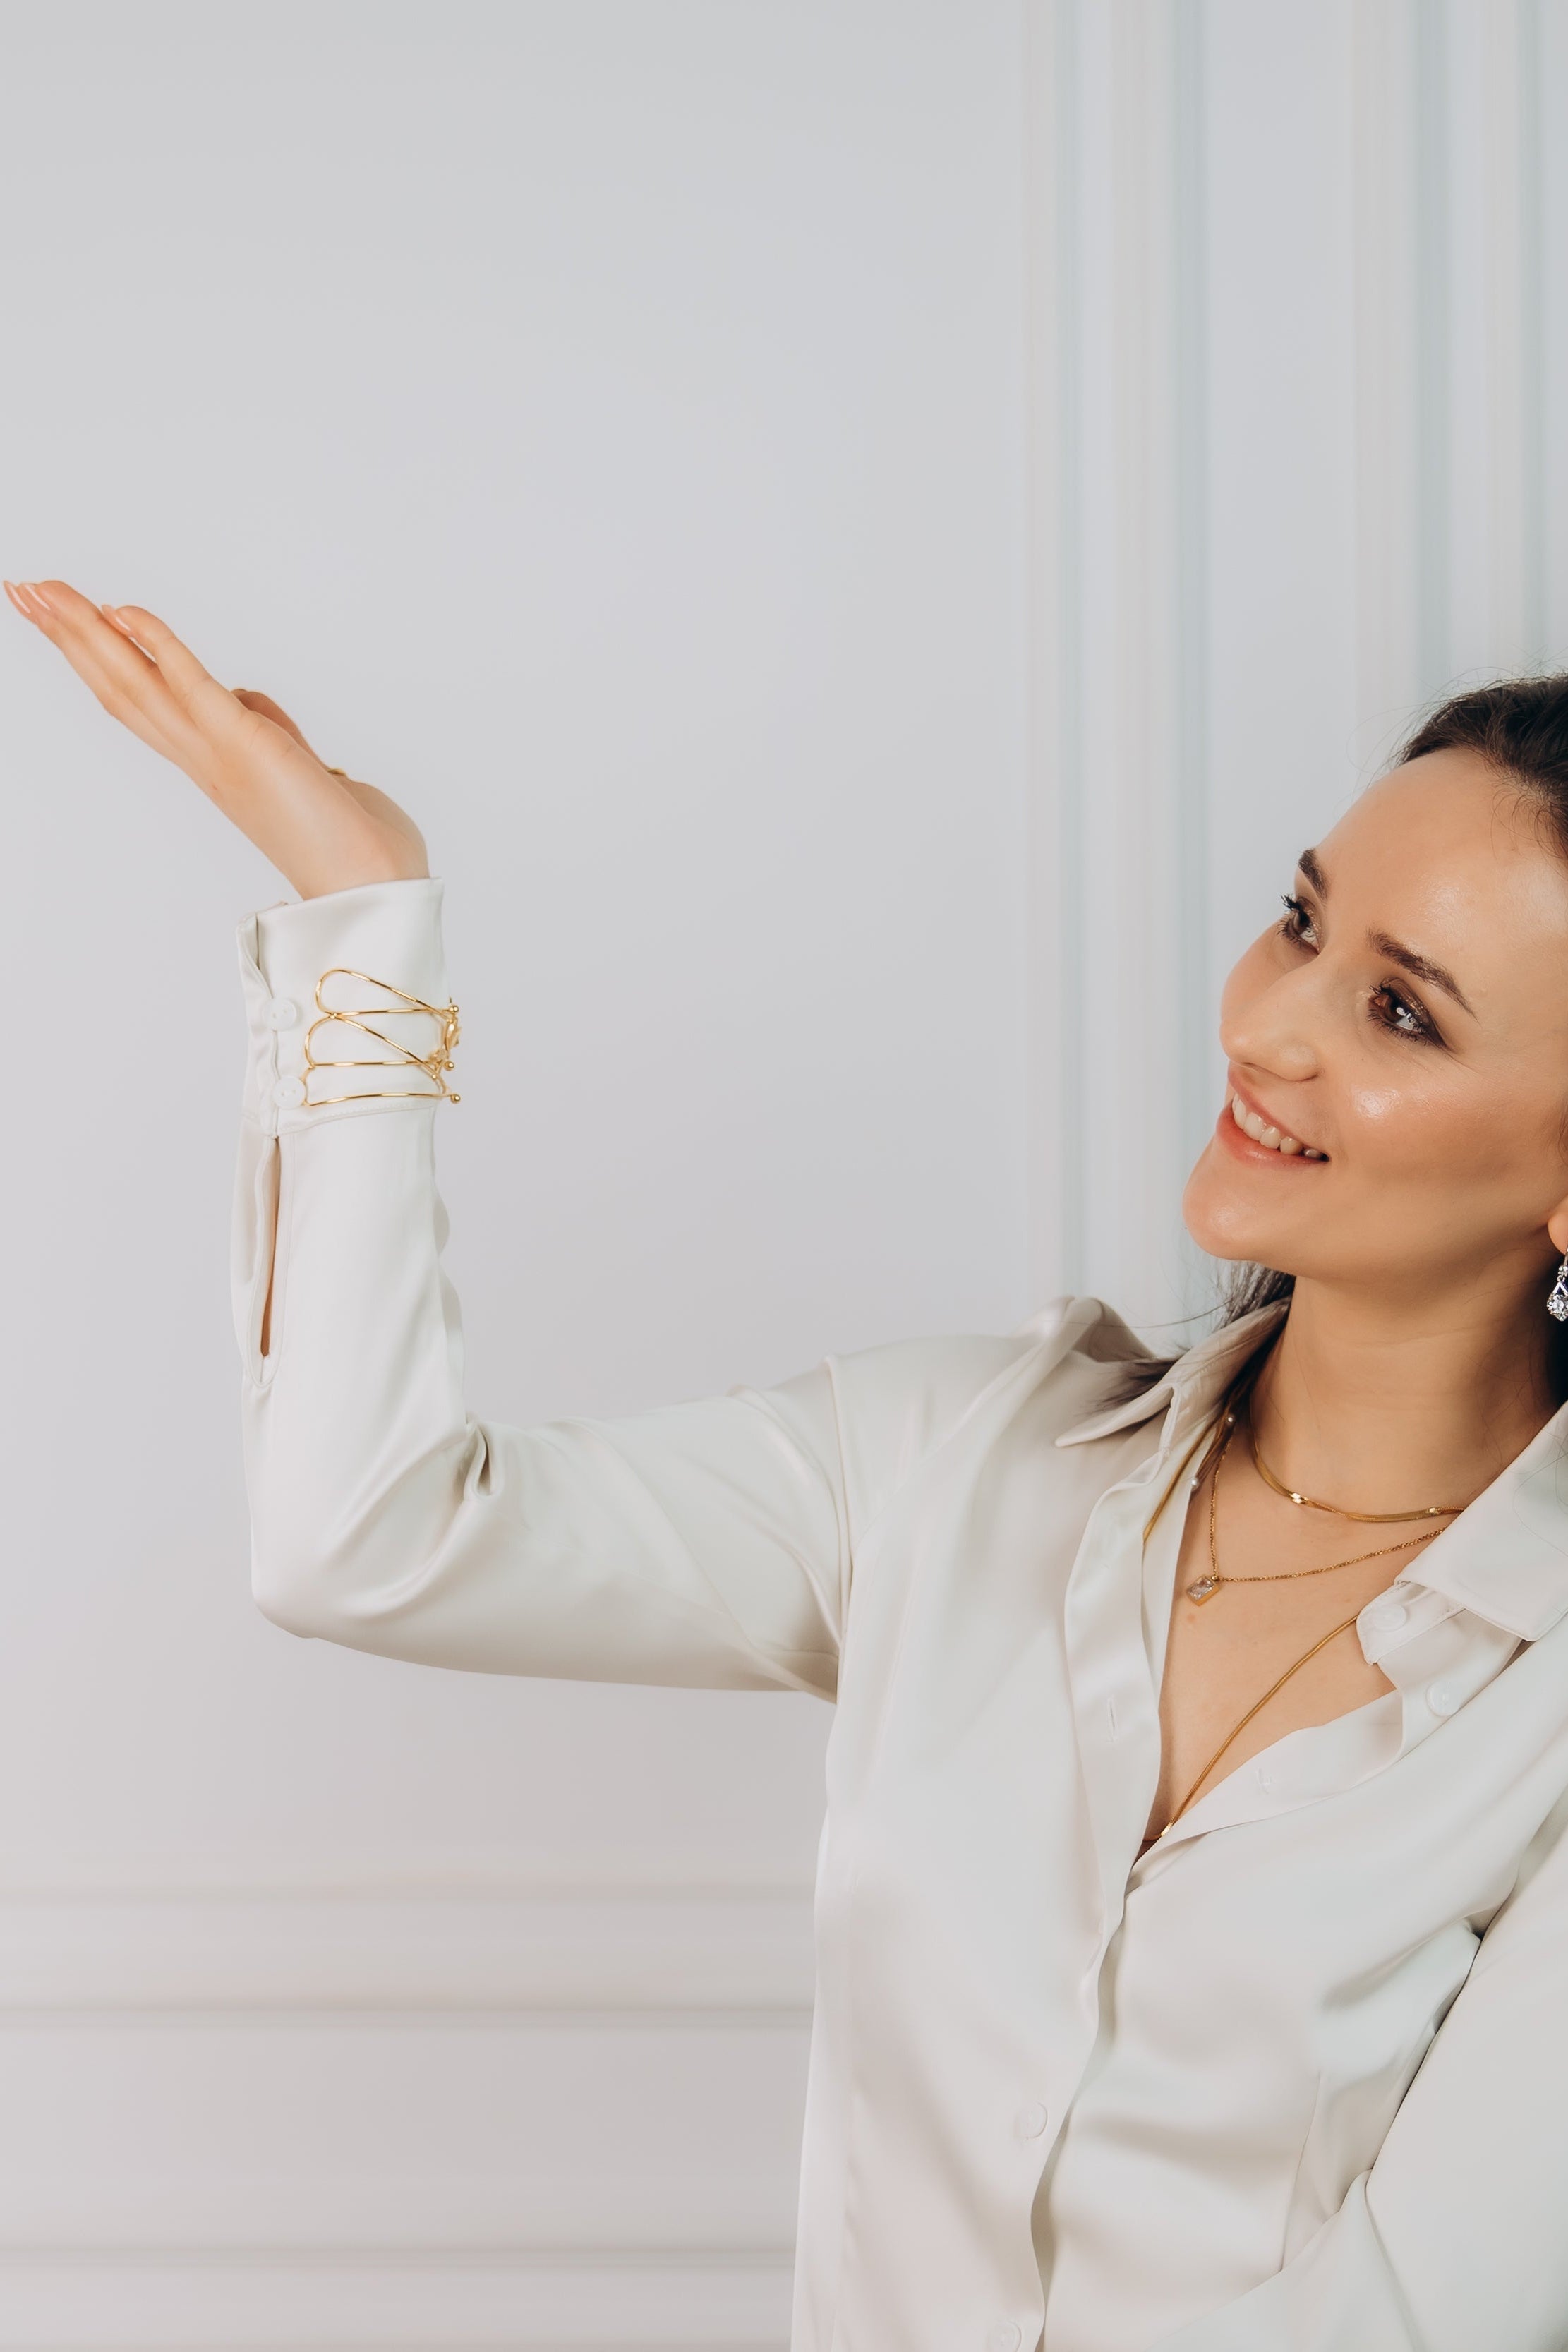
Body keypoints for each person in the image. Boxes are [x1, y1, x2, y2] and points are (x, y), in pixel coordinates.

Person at [10, 573, 1568, 2352]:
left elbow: (1415, 2316)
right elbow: (364, 1535)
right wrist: (361, 920)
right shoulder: (960, 1460)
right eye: (1298, 922)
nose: (1267, 1026)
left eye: (1400, 1012)